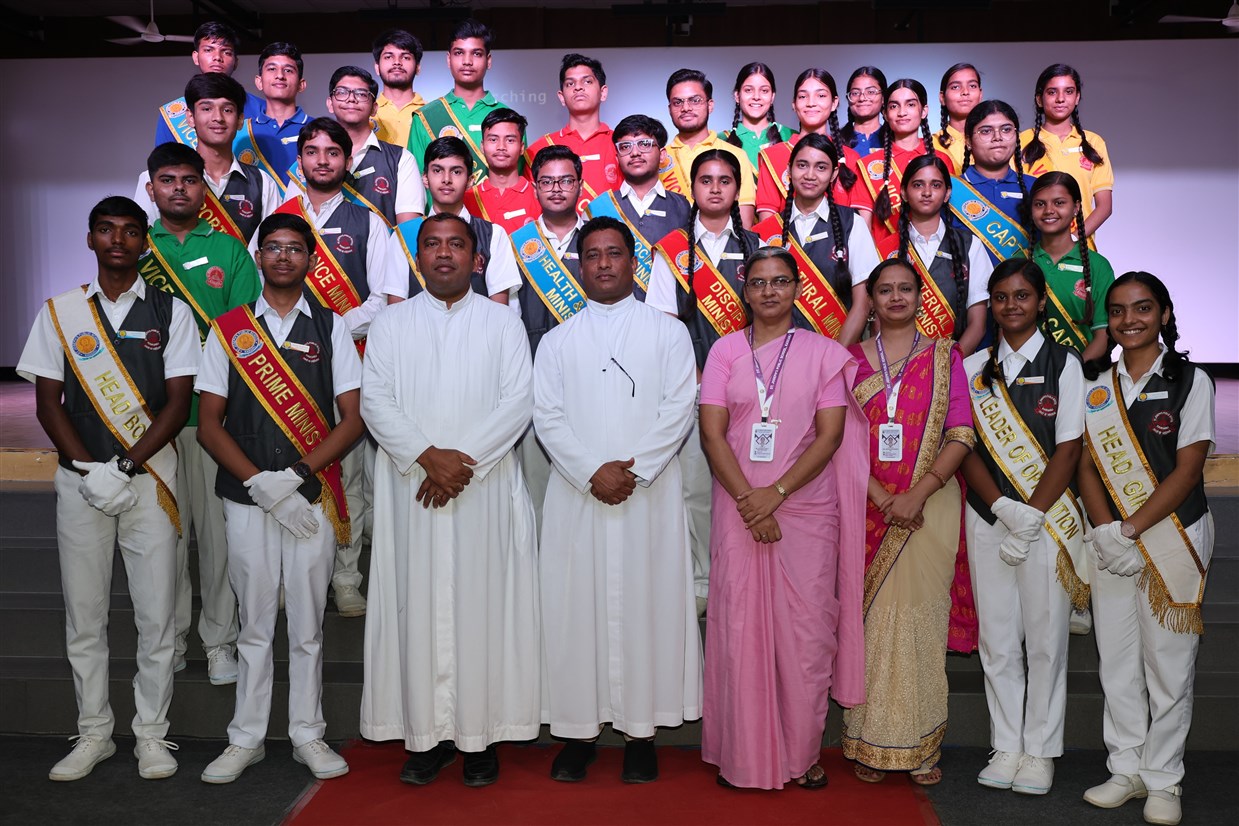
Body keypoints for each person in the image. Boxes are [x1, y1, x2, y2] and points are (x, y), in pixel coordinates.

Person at [19, 197, 197, 782]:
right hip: (81, 484)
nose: (118, 240)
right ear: (90, 238)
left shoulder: (173, 312)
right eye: (106, 230)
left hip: (149, 481)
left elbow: (177, 404)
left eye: (129, 231)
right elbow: (48, 404)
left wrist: (121, 467)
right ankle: (94, 732)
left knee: (156, 617)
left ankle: (152, 735)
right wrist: (88, 467)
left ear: (145, 242)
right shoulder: (60, 312)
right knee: (85, 616)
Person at [360, 213, 540, 788]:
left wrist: (459, 464)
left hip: (480, 489)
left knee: (483, 607)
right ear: (418, 259)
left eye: (455, 244)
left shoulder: (503, 323)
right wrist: (425, 456)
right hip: (413, 488)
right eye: (433, 245)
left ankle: (480, 737)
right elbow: (374, 401)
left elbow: (519, 401)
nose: (444, 254)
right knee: (416, 608)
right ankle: (427, 736)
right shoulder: (390, 324)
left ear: (475, 258)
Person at [197, 213, 364, 784]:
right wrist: (258, 483)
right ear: (259, 257)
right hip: (246, 498)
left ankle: (307, 734)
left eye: (295, 248)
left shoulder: (332, 327)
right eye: (273, 247)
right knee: (254, 622)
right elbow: (209, 424)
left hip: (310, 496)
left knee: (309, 625)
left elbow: (352, 418)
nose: (284, 257)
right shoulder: (229, 327)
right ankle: (244, 738)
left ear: (310, 259)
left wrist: (293, 476)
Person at [535, 216, 701, 784]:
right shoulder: (556, 341)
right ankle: (578, 732)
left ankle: (641, 733)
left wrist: (633, 471)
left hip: (645, 496)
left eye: (614, 253)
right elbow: (547, 417)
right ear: (579, 266)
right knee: (574, 609)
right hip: (578, 496)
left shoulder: (668, 333)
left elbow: (679, 408)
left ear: (634, 263)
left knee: (647, 605)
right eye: (592, 255)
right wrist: (591, 472)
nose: (603, 263)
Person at [698, 247, 867, 790]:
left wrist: (776, 493)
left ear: (797, 288)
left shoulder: (824, 354)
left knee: (806, 634)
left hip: (805, 508)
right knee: (739, 630)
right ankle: (742, 754)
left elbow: (830, 435)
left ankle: (802, 753)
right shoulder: (725, 351)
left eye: (780, 281)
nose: (769, 291)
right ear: (745, 291)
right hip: (738, 505)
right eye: (759, 282)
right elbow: (711, 434)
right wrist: (751, 501)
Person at [1077, 272, 1214, 826]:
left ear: (1163, 314)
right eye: (1117, 311)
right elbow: (1086, 464)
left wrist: (1131, 528)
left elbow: (1189, 469)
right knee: (1117, 662)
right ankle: (1126, 768)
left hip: (1172, 534)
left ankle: (1164, 779)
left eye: (1141, 308)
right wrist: (1107, 531)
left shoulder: (1191, 380)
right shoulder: (1095, 384)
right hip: (1111, 539)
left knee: (1169, 667)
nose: (1129, 320)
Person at [841, 259, 977, 786]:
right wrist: (882, 497)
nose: (895, 297)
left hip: (930, 505)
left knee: (921, 624)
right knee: (873, 626)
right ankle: (870, 740)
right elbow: (838, 441)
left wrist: (918, 493)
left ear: (922, 297)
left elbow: (961, 432)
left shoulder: (946, 356)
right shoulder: (850, 361)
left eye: (905, 289)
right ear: (870, 300)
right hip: (866, 505)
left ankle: (920, 745)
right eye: (884, 290)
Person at [961, 259, 1087, 796]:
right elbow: (963, 446)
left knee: (1046, 640)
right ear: (990, 305)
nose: (1011, 305)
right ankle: (1006, 744)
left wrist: (1030, 514)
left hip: (1047, 520)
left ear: (1040, 302)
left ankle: (1039, 752)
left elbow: (1069, 447)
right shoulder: (972, 367)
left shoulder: (1065, 363)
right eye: (1001, 297)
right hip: (989, 517)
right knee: (997, 640)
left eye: (1022, 296)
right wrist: (1003, 508)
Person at [140, 142, 261, 684]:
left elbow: (245, 336)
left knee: (216, 541)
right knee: (163, 540)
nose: (179, 189)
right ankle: (168, 641)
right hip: (151, 423)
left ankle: (219, 641)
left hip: (212, 421)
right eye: (168, 180)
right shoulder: (135, 249)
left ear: (203, 189)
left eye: (189, 180)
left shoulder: (230, 251)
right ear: (152, 189)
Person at [275, 117, 403, 618]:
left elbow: (382, 299)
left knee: (348, 475)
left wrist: (328, 330)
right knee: (287, 464)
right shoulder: (279, 215)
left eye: (333, 152)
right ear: (300, 159)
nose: (323, 160)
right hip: (284, 366)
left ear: (348, 161)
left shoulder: (368, 220)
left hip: (349, 363)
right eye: (313, 151)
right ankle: (289, 576)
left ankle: (346, 577)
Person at [647, 149, 760, 616]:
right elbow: (662, 325)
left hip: (753, 392)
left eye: (725, 180)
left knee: (749, 484)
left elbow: (774, 320)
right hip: (691, 389)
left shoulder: (758, 245)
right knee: (695, 488)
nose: (715, 188)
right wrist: (701, 380)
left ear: (737, 189)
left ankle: (748, 579)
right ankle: (703, 580)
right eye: (706, 180)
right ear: (692, 188)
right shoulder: (671, 248)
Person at [751, 132, 879, 344]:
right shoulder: (768, 230)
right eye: (802, 165)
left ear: (834, 173)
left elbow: (863, 303)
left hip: (839, 352)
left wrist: (836, 356)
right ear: (789, 170)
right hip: (778, 353)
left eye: (821, 167)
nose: (810, 175)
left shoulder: (852, 224)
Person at [137, 73, 282, 246]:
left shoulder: (263, 183)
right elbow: (143, 246)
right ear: (190, 117)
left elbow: (272, 247)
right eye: (206, 109)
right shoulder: (154, 178)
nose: (218, 118)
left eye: (227, 110)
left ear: (240, 120)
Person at [879, 154, 992, 357]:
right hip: (896, 365)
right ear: (904, 192)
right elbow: (878, 322)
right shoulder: (884, 248)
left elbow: (977, 325)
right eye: (918, 185)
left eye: (936, 185)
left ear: (947, 193)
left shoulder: (970, 245)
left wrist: (947, 365)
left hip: (955, 364)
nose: (927, 192)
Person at [390, 136, 521, 305]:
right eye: (437, 170)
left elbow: (501, 310)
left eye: (456, 172)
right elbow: (394, 309)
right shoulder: (402, 236)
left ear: (470, 181)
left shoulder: (493, 235)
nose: (446, 179)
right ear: (425, 178)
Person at [582, 114, 691, 302]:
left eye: (644, 144)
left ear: (662, 155)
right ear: (617, 157)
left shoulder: (683, 207)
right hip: (610, 312)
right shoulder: (598, 208)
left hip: (668, 314)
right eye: (625, 147)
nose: (635, 153)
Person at [852, 78, 953, 250]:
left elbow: (949, 215)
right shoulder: (868, 164)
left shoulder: (942, 159)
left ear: (924, 111)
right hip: (884, 258)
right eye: (894, 106)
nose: (902, 112)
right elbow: (864, 227)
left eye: (910, 105)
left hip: (937, 256)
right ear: (885, 114)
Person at [320, 66, 425, 226]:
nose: (351, 99)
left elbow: (408, 229)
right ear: (330, 103)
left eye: (361, 94)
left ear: (374, 108)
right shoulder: (312, 157)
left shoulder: (401, 160)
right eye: (342, 92)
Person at [1027, 172, 1115, 364]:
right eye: (1040, 204)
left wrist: (1071, 373)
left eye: (1059, 203)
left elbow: (1103, 335)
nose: (1049, 210)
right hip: (1027, 375)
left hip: (1083, 373)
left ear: (1076, 207)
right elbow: (1006, 333)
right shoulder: (1020, 261)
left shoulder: (1098, 266)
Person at [1020, 64, 1113, 244]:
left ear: (1077, 98)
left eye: (1069, 92)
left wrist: (1072, 239)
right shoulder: (1021, 141)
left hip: (1080, 248)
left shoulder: (1094, 142)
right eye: (1052, 92)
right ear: (1039, 99)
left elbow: (1105, 207)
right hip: (1033, 247)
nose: (1061, 99)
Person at [408, 19, 502, 188]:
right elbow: (415, 185)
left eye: (476, 54)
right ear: (448, 59)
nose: (467, 61)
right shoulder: (425, 117)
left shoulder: (507, 117)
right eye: (459, 53)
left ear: (488, 60)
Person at [755, 69, 862, 218]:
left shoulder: (851, 158)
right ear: (794, 104)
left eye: (821, 95)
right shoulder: (772, 156)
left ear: (834, 103)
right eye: (803, 96)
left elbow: (857, 222)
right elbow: (767, 222)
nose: (811, 103)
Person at [662, 68, 758, 227]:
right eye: (677, 102)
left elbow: (745, 224)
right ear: (670, 109)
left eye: (695, 100)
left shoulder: (736, 155)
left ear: (710, 105)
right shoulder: (660, 159)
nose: (686, 108)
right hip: (673, 242)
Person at [525, 54, 619, 212]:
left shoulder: (621, 145)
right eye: (570, 83)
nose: (578, 87)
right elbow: (532, 207)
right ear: (561, 97)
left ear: (603, 92)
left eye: (587, 81)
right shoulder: (539, 148)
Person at [951, 100, 1036, 267]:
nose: (998, 137)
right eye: (986, 131)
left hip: (1024, 281)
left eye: (1006, 129)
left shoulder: (1036, 187)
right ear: (968, 141)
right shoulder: (951, 190)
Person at [154, 21, 263, 147]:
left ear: (236, 62)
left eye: (226, 52)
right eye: (208, 50)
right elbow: (164, 159)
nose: (217, 57)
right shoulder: (173, 115)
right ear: (196, 57)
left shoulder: (262, 109)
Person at [233, 43, 311, 189]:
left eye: (288, 70)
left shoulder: (318, 130)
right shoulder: (240, 131)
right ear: (259, 82)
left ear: (301, 84)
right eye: (272, 69)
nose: (280, 75)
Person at [463, 108, 541, 234]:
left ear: (522, 148)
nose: (501, 147)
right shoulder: (467, 199)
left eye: (510, 140)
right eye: (493, 140)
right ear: (482, 146)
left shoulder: (539, 197)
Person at [720, 62, 794, 170]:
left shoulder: (790, 137)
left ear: (772, 97)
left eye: (764, 91)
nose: (756, 97)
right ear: (737, 96)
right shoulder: (721, 140)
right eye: (748, 90)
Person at [371, 29, 426, 148]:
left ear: (417, 67)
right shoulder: (366, 114)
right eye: (388, 57)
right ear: (377, 67)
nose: (397, 62)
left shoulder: (430, 113)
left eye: (405, 57)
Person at [933, 63, 983, 174]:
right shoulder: (931, 144)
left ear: (980, 94)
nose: (965, 92)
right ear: (942, 97)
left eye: (972, 86)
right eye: (955, 87)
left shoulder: (997, 140)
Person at [838, 66, 887, 158]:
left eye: (871, 92)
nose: (862, 98)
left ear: (883, 98)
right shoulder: (836, 141)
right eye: (855, 93)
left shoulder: (894, 139)